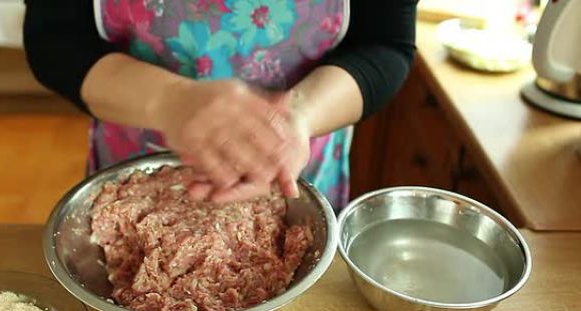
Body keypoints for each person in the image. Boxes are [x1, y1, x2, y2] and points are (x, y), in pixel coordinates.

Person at [23, 0, 417, 211]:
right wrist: (170, 100)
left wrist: (298, 115)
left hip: (295, 165)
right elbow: (56, 41)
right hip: (134, 162)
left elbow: (383, 44)